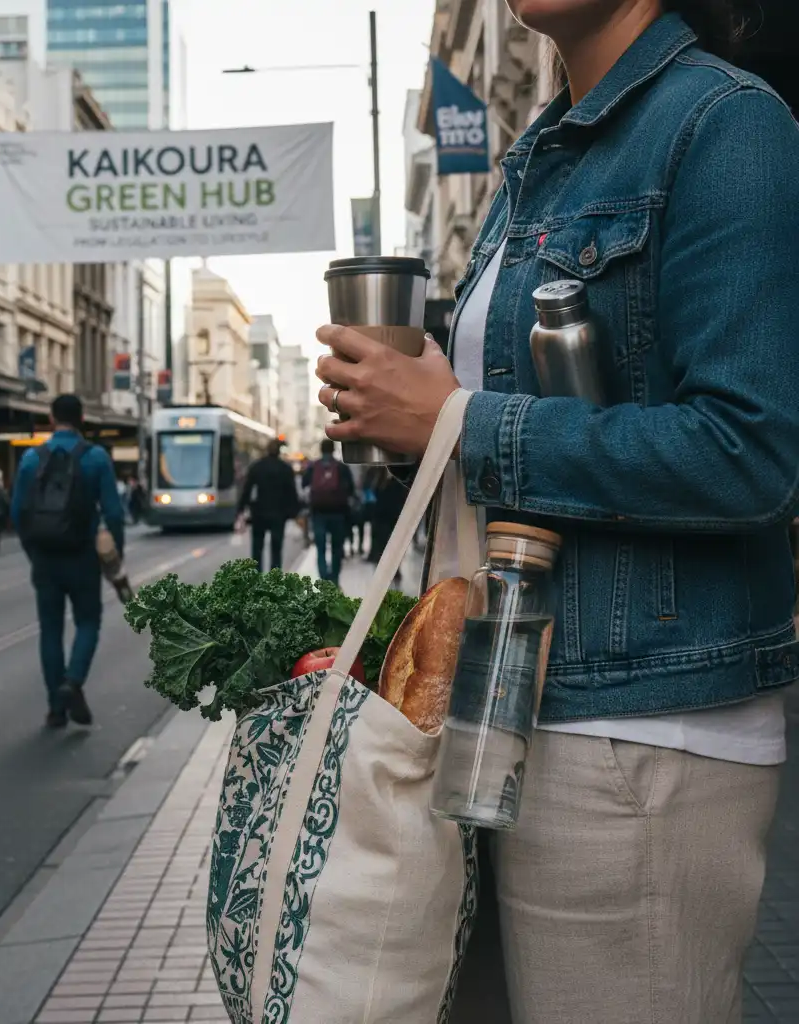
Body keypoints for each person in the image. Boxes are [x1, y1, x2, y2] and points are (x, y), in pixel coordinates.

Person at [315, 4, 799, 1021]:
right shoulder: (540, 158)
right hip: (509, 708)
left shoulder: (726, 123)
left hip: (641, 732)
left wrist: (457, 417)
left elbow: (749, 453)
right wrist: (422, 408)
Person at [11, 393, 126, 729]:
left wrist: (32, 551)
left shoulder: (32, 458)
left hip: (45, 557)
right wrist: (113, 556)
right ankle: (73, 682)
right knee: (88, 621)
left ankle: (55, 709)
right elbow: (114, 514)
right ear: (82, 419)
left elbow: (18, 512)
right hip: (83, 556)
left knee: (50, 629)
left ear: (51, 418)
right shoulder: (96, 458)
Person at [236, 439, 300, 572]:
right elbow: (291, 492)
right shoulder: (285, 468)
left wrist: (241, 509)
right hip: (279, 513)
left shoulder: (257, 466)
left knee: (257, 548)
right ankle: (274, 578)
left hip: (259, 512)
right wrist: (294, 512)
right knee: (276, 548)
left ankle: (257, 576)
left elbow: (247, 490)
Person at [301, 439, 354, 586]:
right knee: (337, 547)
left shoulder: (313, 466)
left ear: (321, 449)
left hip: (318, 512)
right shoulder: (341, 467)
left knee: (321, 546)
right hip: (338, 513)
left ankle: (324, 576)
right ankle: (335, 577)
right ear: (332, 450)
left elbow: (304, 483)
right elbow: (351, 488)